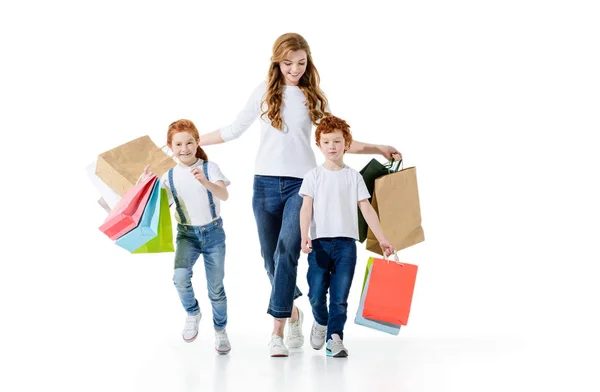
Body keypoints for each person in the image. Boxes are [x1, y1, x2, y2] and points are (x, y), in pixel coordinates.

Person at [198, 32, 401, 357]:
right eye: (288, 63)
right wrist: (195, 142)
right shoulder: (264, 92)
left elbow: (339, 138)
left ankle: (277, 331)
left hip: (302, 184)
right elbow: (233, 130)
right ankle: (293, 312)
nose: (295, 69)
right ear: (277, 62)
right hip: (263, 184)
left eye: (301, 63)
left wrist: (377, 147)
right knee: (269, 257)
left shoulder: (314, 97)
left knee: (286, 251)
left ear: (309, 63)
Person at [299, 114, 394, 358]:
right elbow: (306, 207)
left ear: (346, 144)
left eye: (337, 141)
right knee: (316, 294)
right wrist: (303, 236)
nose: (332, 146)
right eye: (327, 142)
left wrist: (383, 238)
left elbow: (367, 208)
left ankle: (335, 338)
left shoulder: (354, 177)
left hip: (345, 246)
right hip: (319, 243)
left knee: (340, 298)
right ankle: (321, 321)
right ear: (319, 145)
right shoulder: (313, 176)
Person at [144, 119, 232, 355]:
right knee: (180, 277)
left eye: (189, 143)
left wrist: (205, 182)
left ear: (197, 142)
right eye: (179, 144)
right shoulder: (169, 176)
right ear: (170, 147)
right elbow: (156, 205)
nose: (184, 149)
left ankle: (220, 330)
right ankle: (193, 312)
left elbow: (224, 195)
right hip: (186, 236)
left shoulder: (209, 168)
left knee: (216, 288)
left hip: (213, 234)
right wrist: (145, 183)